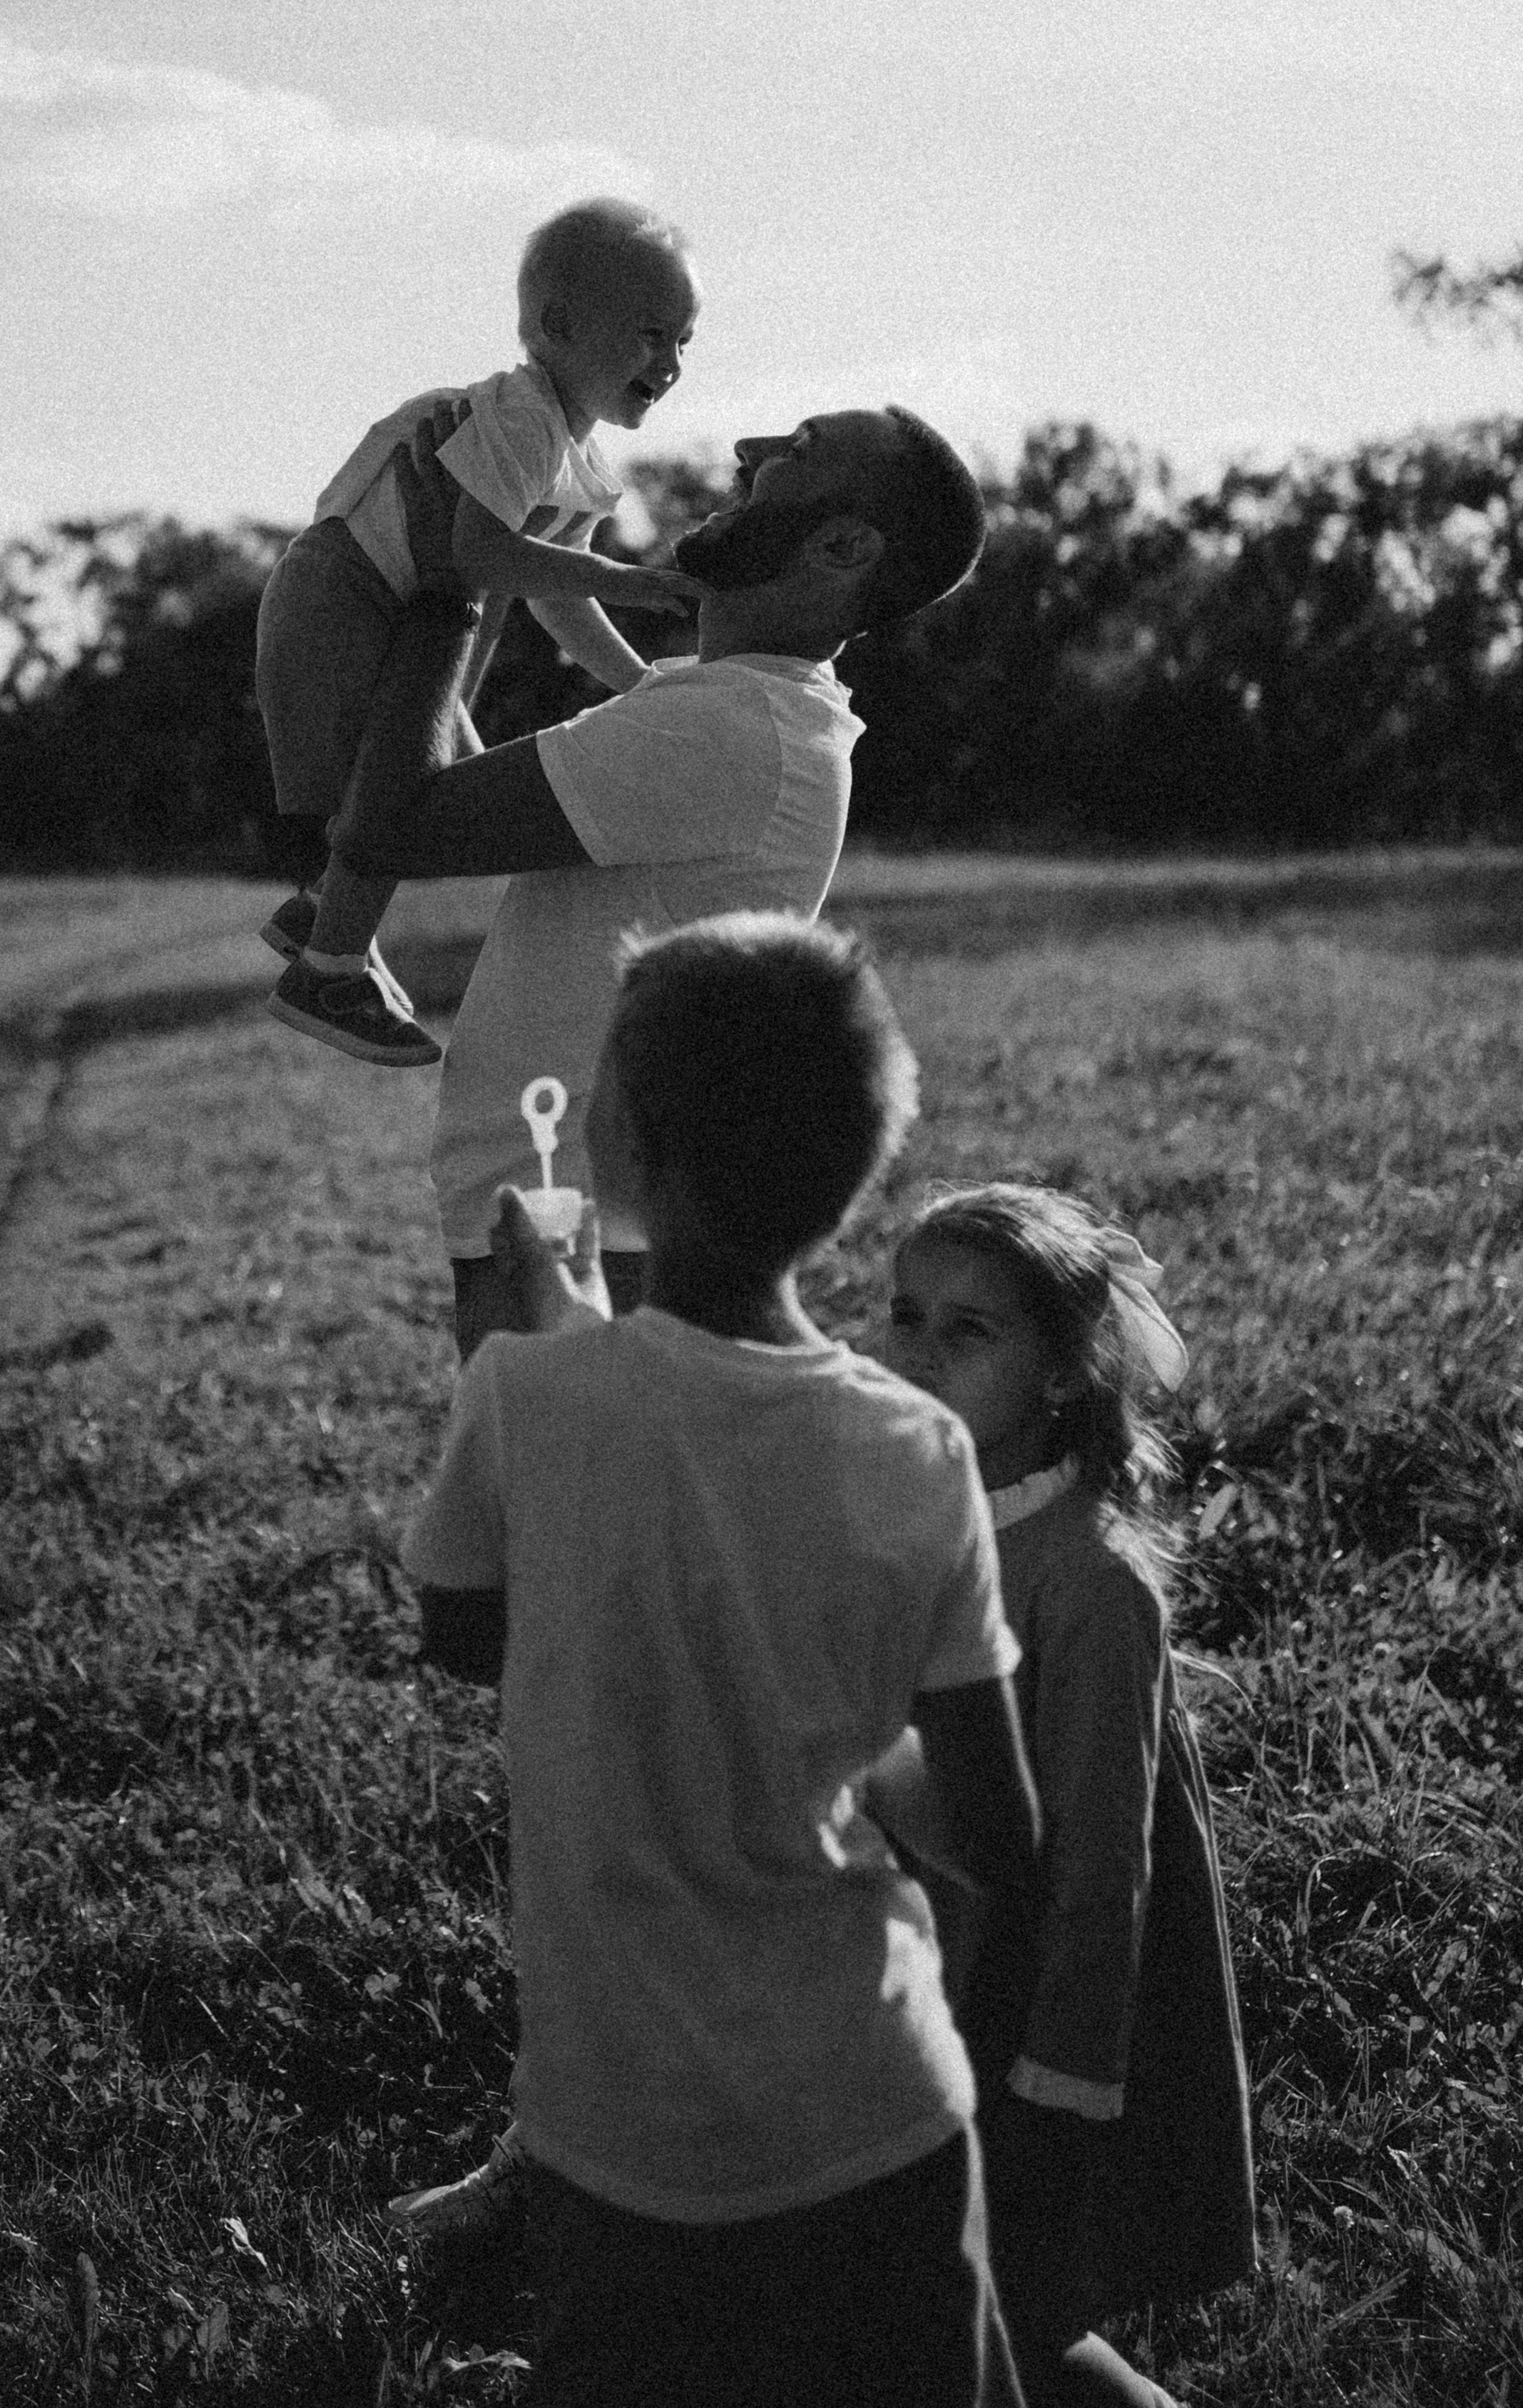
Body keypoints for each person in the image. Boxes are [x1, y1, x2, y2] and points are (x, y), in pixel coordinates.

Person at [402, 913, 1046, 2408]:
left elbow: (468, 1631)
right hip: (882, 2107)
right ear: (854, 1172)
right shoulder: (919, 1446)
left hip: (627, 2138)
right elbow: (1000, 1836)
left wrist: (555, 1341)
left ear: (620, 1147)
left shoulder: (525, 1397)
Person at [332, 395, 987, 1359]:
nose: (750, 446)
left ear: (844, 548)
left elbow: (386, 827)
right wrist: (497, 568)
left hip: (574, 1229)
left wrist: (454, 579)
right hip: (568, 1211)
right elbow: (460, 800)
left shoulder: (730, 727)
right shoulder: (734, 710)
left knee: (557, 1460)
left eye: (799, 449)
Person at [873, 1183, 1257, 2408]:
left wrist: (1062, 2082)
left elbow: (1102, 1866)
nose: (919, 1350)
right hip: (923, 1955)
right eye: (906, 1314)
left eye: (969, 1330)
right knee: (930, 2283)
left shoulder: (1087, 1580)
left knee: (1011, 2304)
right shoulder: (919, 1505)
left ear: (1059, 1375)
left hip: (1031, 1999)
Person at [256, 195, 703, 1067]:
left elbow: (552, 594)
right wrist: (632, 582)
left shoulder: (575, 456)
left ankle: (321, 914)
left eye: (685, 341)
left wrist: (640, 684)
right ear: (558, 326)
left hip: (395, 609)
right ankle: (330, 968)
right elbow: (481, 553)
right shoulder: (521, 417)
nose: (671, 363)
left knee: (451, 789)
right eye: (651, 335)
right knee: (406, 790)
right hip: (343, 593)